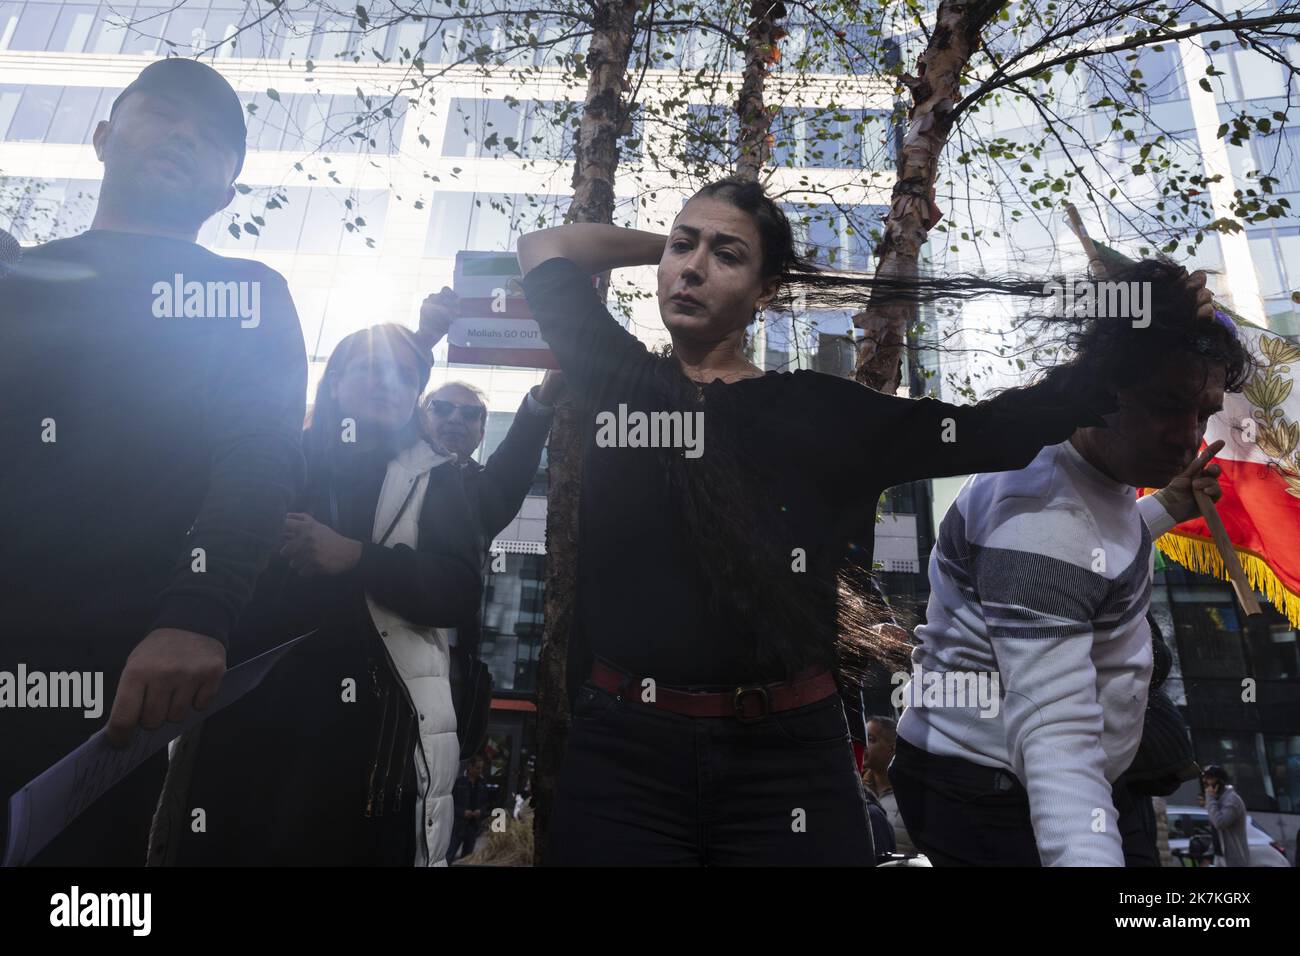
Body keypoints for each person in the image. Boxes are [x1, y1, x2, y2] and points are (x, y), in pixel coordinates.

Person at [515, 176, 1122, 866]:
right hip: (623, 762)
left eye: (728, 256)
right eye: (684, 248)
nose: (691, 267)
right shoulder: (620, 380)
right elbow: (546, 247)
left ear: (767, 292)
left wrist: (1144, 330)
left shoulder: (824, 412)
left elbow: (999, 429)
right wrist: (687, 243)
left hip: (786, 766)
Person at [0, 58, 306, 866]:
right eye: (164, 113)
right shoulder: (11, 276)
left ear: (225, 193)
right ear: (101, 137)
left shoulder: (247, 295)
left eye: (212, 139)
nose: (183, 137)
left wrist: (195, 615)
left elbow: (259, 454)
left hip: (114, 683)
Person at [890, 261, 1251, 866]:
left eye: (1202, 411)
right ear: (1101, 391)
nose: (1188, 438)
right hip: (1002, 799)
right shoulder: (1043, 519)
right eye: (1167, 404)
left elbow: (1093, 563)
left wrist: (1166, 507)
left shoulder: (1077, 474)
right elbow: (1055, 734)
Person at [150, 324, 483, 866]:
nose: (388, 384)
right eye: (372, 369)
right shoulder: (274, 462)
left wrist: (357, 557)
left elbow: (459, 592)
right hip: (245, 712)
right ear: (334, 383)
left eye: (406, 377)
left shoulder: (435, 479)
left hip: (371, 734)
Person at [863, 716, 915, 855]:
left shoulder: (912, 795)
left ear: (892, 748)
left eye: (870, 739)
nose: (864, 744)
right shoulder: (859, 791)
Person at [447, 754, 494, 862]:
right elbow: (450, 804)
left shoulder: (482, 784)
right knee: (449, 854)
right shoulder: (459, 782)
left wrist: (480, 811)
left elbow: (486, 804)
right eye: (477, 768)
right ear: (470, 767)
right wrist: (462, 812)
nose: (480, 771)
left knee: (467, 859)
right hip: (458, 826)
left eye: (481, 768)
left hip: (473, 826)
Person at [1201, 765, 1250, 867]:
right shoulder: (1217, 800)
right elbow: (1217, 832)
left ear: (1220, 781)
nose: (1206, 782)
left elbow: (1220, 823)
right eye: (1204, 778)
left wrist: (1209, 797)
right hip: (1220, 857)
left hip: (1234, 859)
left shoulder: (1232, 800)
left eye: (1209, 778)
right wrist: (1209, 854)